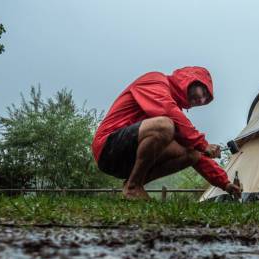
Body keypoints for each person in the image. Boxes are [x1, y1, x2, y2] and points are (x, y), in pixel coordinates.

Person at [91, 66, 241, 200]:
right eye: (203, 92)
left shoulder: (177, 116)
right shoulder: (155, 80)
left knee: (194, 153)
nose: (201, 100)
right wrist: (203, 144)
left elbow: (196, 150)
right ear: (191, 80)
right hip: (108, 149)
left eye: (206, 99)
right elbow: (167, 110)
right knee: (165, 125)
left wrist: (225, 184)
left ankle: (133, 183)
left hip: (128, 161)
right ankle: (133, 187)